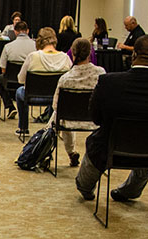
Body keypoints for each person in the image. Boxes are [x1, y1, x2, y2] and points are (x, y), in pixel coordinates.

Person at [75, 34, 148, 202]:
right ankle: (131, 190)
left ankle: (85, 187)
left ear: (134, 55)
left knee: (97, 141)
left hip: (111, 150)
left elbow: (96, 118)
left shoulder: (109, 83)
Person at [45, 38, 105, 167]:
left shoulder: (65, 79)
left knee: (58, 116)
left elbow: (56, 105)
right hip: (95, 120)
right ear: (90, 53)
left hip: (69, 119)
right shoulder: (101, 74)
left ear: (72, 53)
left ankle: (68, 152)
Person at [15, 27, 73, 137]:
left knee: (19, 91)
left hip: (33, 97)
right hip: (56, 99)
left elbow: (21, 79)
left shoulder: (32, 57)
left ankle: (23, 128)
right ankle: (54, 127)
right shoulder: (65, 58)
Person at [0, 20, 34, 119]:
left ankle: (10, 106)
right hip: (30, 82)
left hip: (11, 81)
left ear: (15, 32)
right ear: (27, 31)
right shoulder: (36, 46)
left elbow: (3, 70)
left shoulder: (8, 47)